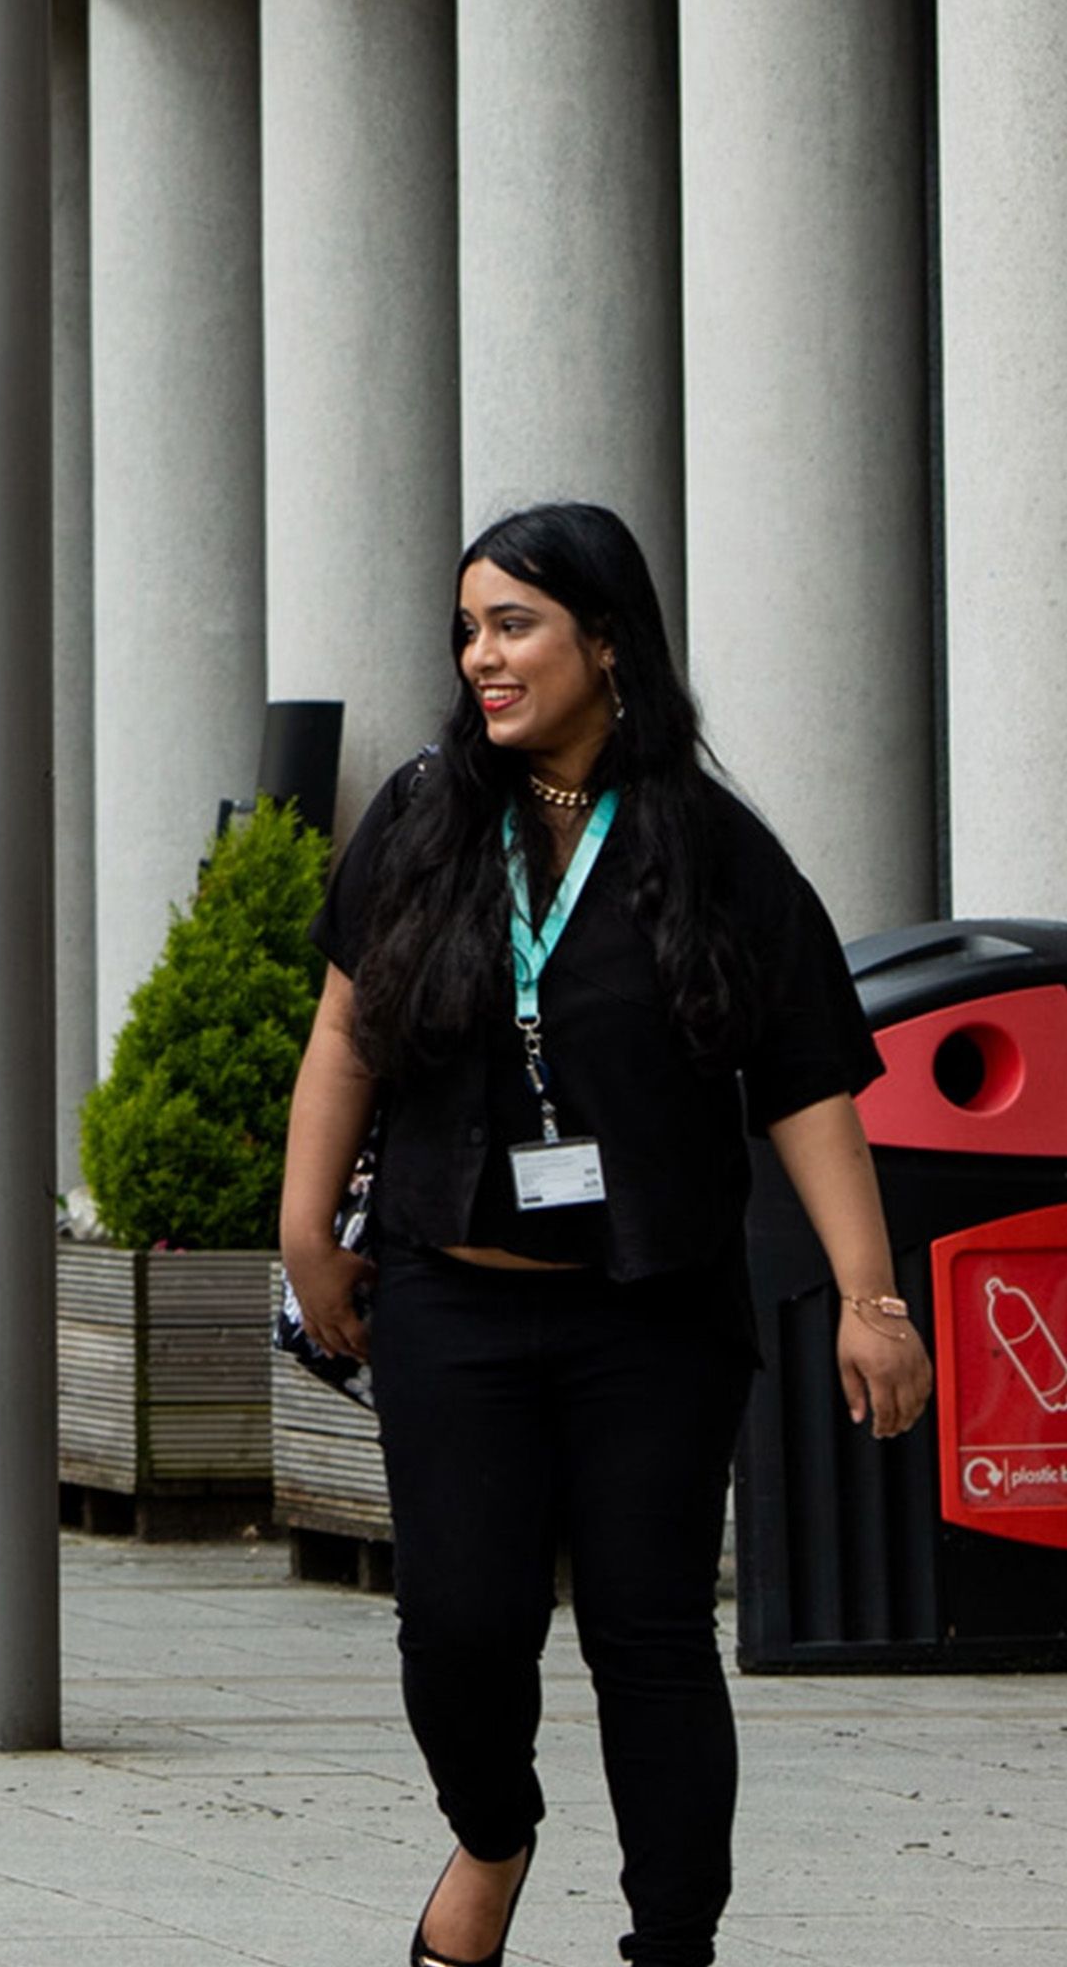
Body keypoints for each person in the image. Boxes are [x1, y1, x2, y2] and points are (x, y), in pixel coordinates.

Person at [278, 501, 931, 1967]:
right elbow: (344, 1035)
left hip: (652, 1309)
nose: (482, 658)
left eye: (515, 625)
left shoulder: (712, 848)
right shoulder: (426, 813)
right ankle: (496, 1833)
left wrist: (874, 1300)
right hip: (453, 1299)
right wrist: (307, 1229)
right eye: (469, 629)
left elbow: (812, 1086)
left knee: (649, 1639)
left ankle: (674, 1947)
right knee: (457, 1630)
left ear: (609, 642)